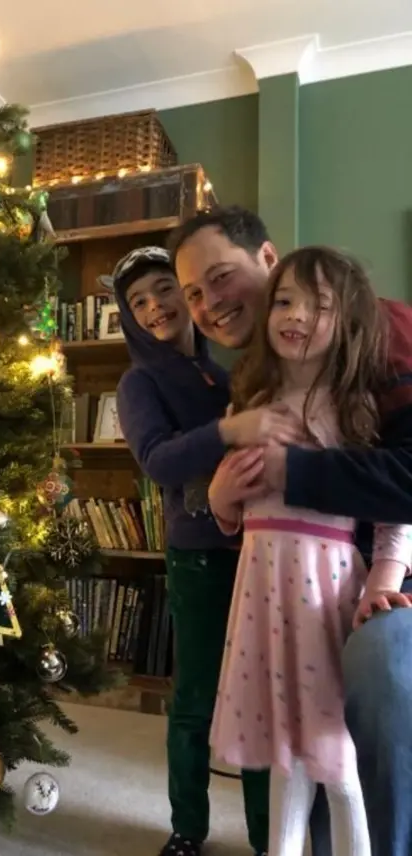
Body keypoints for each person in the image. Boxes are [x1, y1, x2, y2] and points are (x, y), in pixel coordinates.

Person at [171, 206, 412, 856]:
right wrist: (220, 500)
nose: (209, 303)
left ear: (267, 260)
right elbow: (228, 492)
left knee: (333, 754)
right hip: (263, 591)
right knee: (284, 751)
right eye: (192, 292)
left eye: (221, 277)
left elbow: (400, 497)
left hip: (328, 587)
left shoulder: (370, 372)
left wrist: (384, 579)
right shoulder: (248, 394)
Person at [113, 246, 307, 856]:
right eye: (137, 302)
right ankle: (187, 831)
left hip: (256, 549)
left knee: (257, 696)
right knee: (196, 696)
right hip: (198, 555)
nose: (154, 308)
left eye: (165, 290)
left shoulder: (223, 370)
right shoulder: (139, 381)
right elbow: (158, 461)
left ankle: (263, 834)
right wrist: (228, 434)